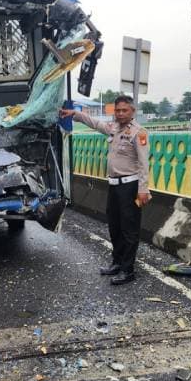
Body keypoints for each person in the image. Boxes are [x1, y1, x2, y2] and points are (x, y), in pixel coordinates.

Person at [59, 95, 151, 284]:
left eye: (125, 110)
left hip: (131, 187)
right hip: (114, 187)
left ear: (132, 111)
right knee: (114, 226)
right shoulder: (114, 128)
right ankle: (117, 262)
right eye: (118, 110)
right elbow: (94, 123)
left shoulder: (139, 132)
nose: (120, 113)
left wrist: (143, 190)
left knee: (129, 230)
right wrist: (75, 114)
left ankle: (128, 270)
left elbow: (144, 164)